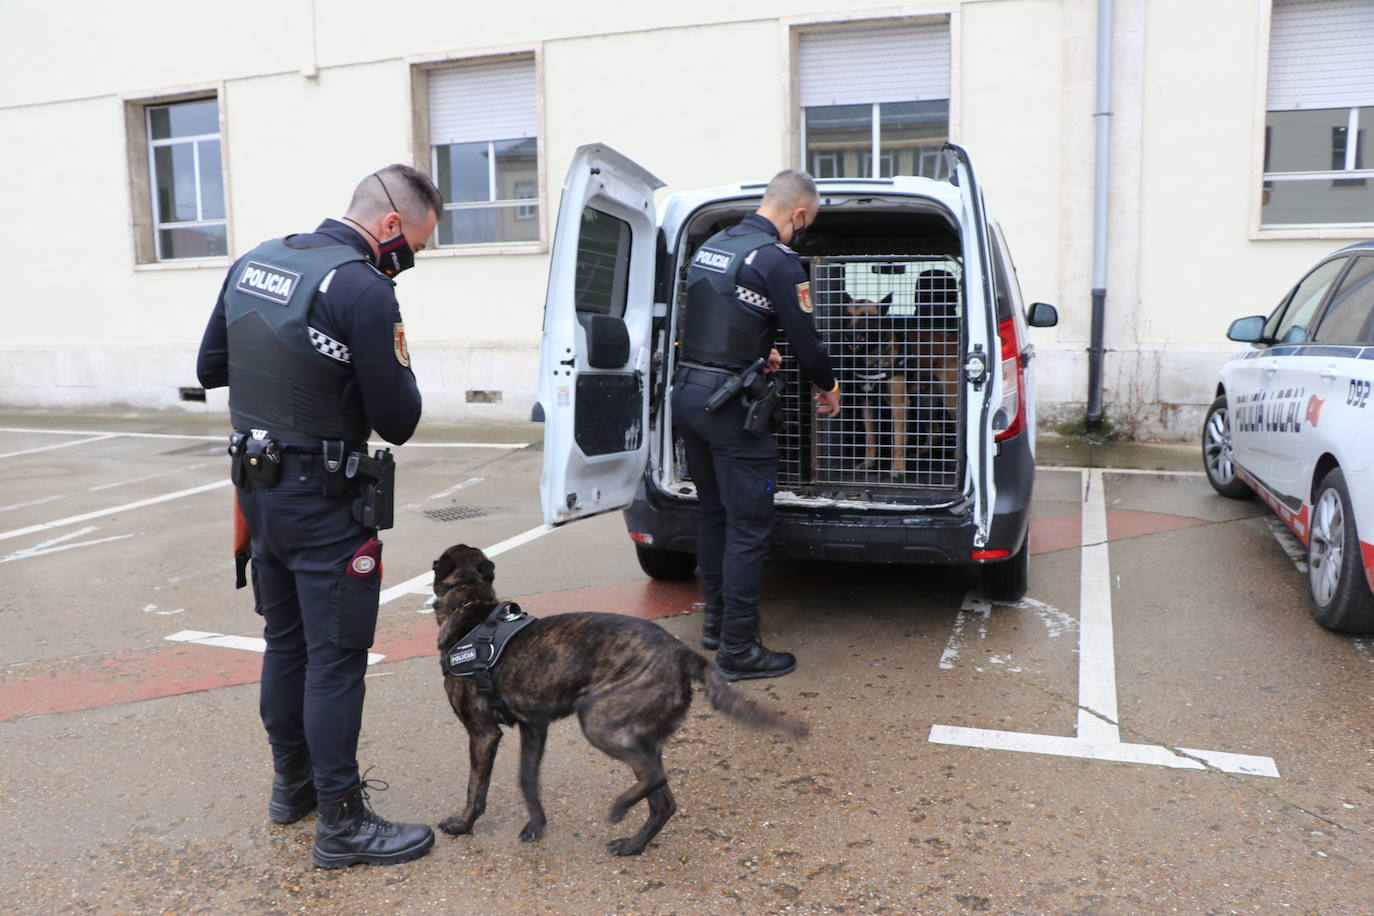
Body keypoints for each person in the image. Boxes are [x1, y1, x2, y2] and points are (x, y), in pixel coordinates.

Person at [196, 164, 441, 869]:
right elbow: (398, 419)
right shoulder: (364, 289)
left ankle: (291, 790)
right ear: (390, 224)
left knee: (287, 643)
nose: (411, 260)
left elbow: (213, 363)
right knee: (335, 661)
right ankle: (342, 823)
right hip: (324, 500)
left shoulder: (256, 260)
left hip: (258, 492)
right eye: (416, 247)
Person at [671, 168, 842, 681]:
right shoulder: (776, 260)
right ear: (797, 214)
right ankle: (739, 650)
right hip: (730, 411)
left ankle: (717, 624)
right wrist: (828, 386)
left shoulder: (716, 244)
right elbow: (806, 339)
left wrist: (752, 350)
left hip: (690, 396)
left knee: (714, 514)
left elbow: (714, 313)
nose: (800, 233)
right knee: (748, 527)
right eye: (803, 225)